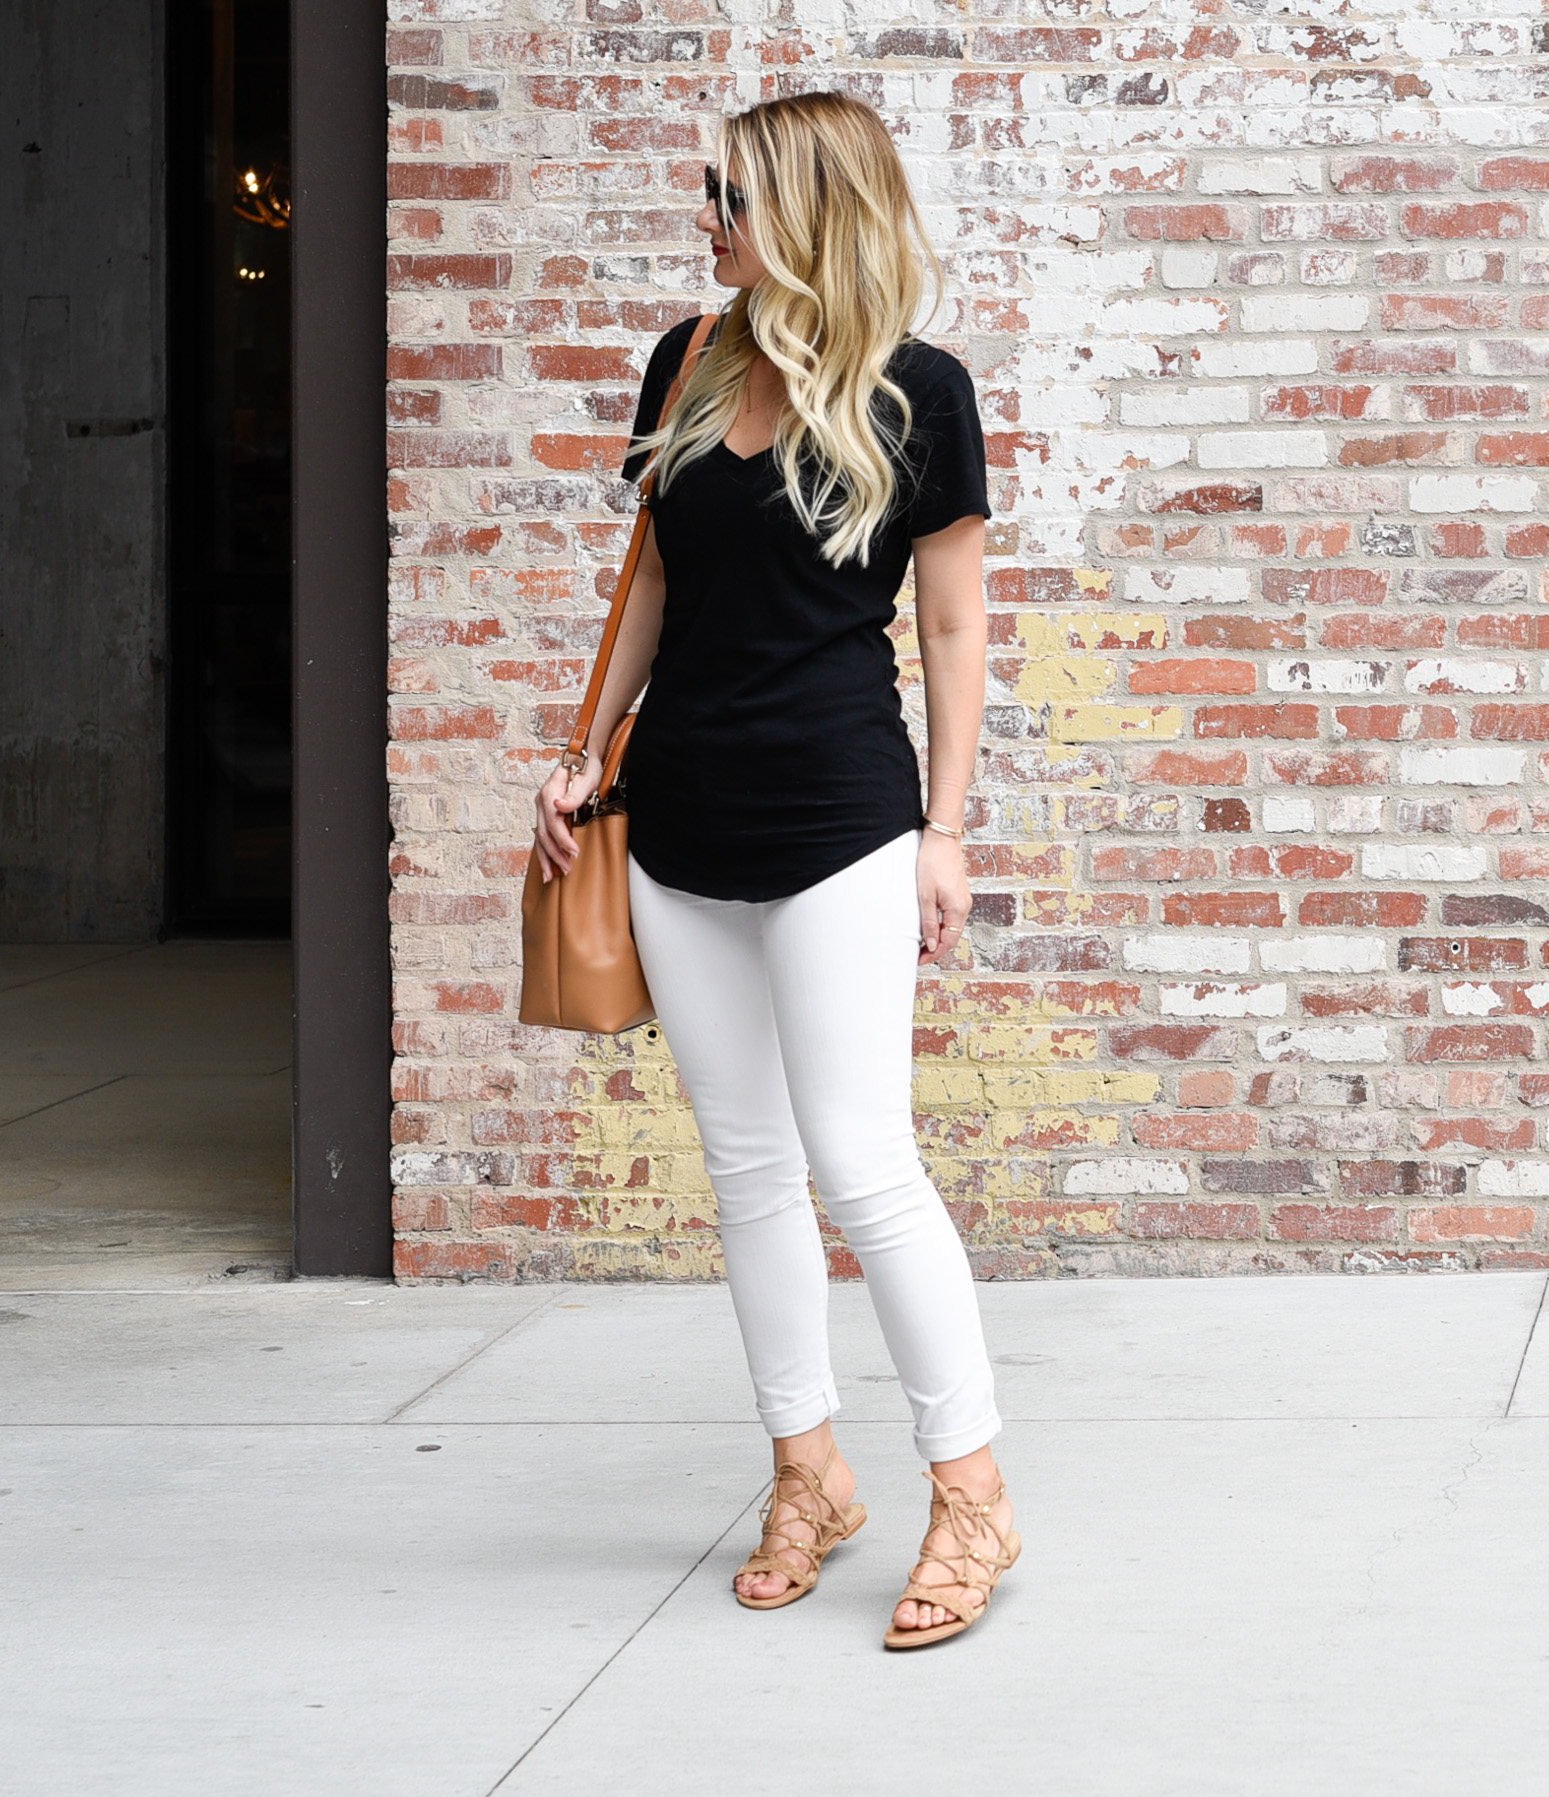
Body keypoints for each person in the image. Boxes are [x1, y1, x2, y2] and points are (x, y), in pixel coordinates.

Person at [530, 92, 1019, 1650]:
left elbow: (952, 629)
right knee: (746, 1168)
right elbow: (660, 579)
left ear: (806, 207)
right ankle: (806, 1472)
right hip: (679, 824)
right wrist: (586, 748)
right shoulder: (687, 359)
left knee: (866, 1165)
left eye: (729, 193)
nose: (707, 217)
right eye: (705, 191)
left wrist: (945, 830)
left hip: (842, 824)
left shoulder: (920, 394)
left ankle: (976, 1496)